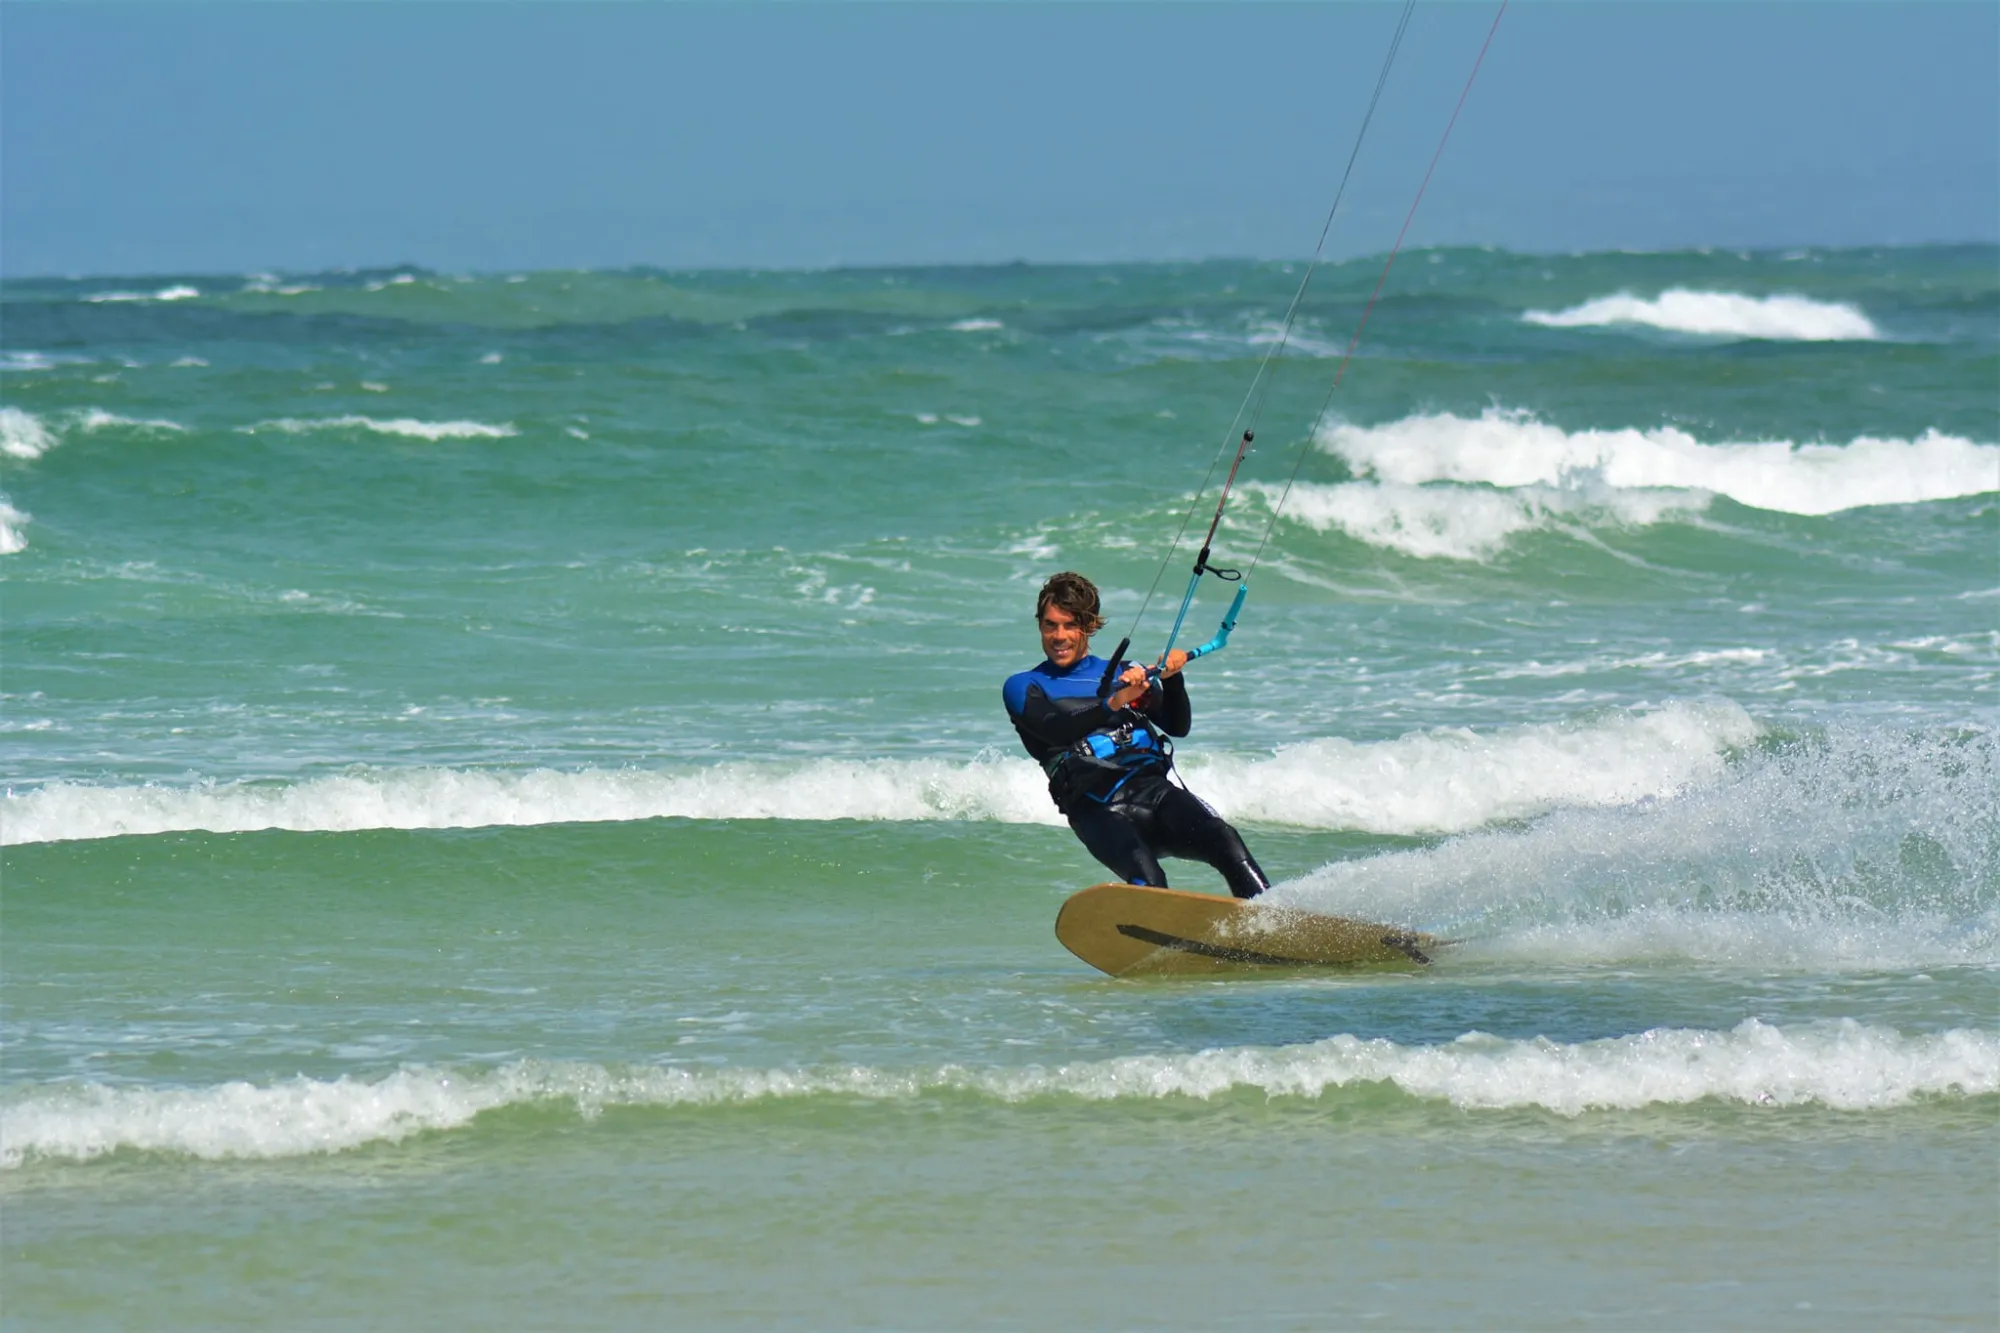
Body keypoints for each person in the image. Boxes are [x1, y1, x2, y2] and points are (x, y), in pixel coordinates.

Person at [1002, 570, 1270, 899]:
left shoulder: (1125, 671)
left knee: (1223, 837)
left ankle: (1272, 923)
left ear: (1089, 626)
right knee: (1147, 873)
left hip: (1154, 793)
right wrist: (1115, 700)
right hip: (1097, 809)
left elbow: (1177, 725)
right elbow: (1055, 729)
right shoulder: (1025, 685)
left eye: (1070, 625)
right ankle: (1160, 943)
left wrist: (1172, 680)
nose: (1059, 636)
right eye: (1050, 624)